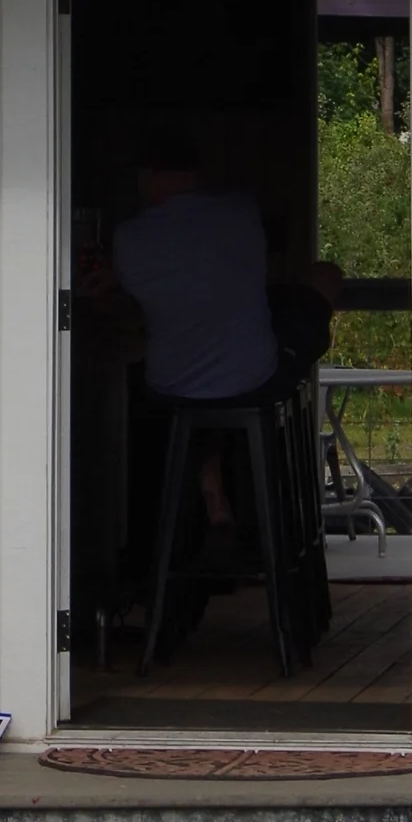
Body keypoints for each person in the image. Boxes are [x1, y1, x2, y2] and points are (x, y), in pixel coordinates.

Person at [110, 130, 280, 532]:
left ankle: (207, 489)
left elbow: (128, 304)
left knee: (192, 397)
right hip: (254, 380)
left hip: (172, 385)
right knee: (324, 276)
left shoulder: (129, 237)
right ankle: (216, 488)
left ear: (151, 177)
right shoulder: (243, 212)